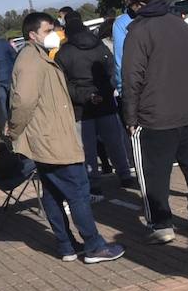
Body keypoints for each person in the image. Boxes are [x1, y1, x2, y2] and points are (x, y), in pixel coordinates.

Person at [11, 11, 124, 264]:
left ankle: (66, 245)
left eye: (54, 29)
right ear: (32, 35)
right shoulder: (31, 61)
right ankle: (94, 245)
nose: (53, 34)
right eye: (47, 30)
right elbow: (24, 101)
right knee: (78, 191)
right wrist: (15, 129)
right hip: (51, 137)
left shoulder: (39, 57)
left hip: (49, 136)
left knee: (52, 193)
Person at [120, 0, 188, 242]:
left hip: (155, 114)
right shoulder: (181, 25)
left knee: (155, 172)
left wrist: (130, 115)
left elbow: (131, 77)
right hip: (186, 109)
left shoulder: (138, 31)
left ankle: (161, 224)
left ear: (136, 4)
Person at [56, 11, 136, 189]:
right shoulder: (99, 45)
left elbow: (62, 84)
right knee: (116, 143)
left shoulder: (63, 53)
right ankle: (125, 175)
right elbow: (112, 70)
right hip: (106, 102)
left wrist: (86, 96)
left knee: (87, 149)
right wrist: (106, 91)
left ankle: (94, 182)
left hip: (81, 109)